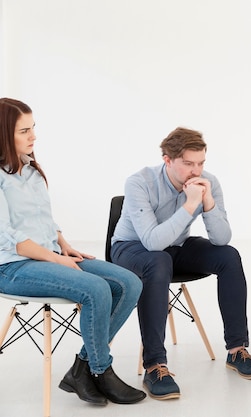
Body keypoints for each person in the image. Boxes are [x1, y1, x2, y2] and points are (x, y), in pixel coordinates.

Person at [0, 98, 146, 406]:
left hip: (50, 254)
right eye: (24, 131)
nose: (33, 136)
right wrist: (57, 259)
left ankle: (82, 367)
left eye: (33, 128)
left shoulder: (32, 171)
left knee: (130, 283)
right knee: (95, 288)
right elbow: (9, 238)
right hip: (13, 266)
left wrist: (63, 244)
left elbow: (43, 219)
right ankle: (100, 369)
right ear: (3, 134)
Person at [110, 126, 251, 400]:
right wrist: (190, 206)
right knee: (158, 262)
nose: (196, 171)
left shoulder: (208, 181)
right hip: (131, 249)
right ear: (168, 160)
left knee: (229, 257)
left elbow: (221, 239)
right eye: (188, 164)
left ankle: (236, 349)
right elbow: (152, 243)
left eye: (201, 163)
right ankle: (155, 365)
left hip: (174, 248)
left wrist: (209, 204)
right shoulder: (139, 182)